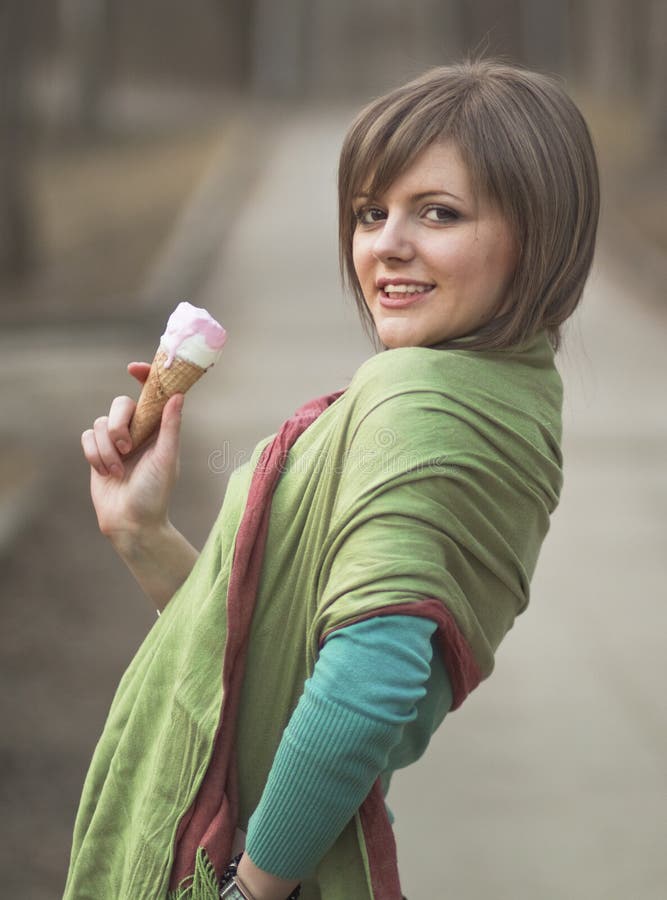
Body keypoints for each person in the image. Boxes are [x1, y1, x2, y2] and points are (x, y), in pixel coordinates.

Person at [67, 58, 599, 900]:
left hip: (243, 862)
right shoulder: (514, 393)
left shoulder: (417, 402)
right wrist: (142, 534)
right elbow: (268, 659)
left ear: (538, 235)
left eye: (438, 213)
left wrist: (249, 889)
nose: (386, 242)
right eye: (369, 212)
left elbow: (368, 683)